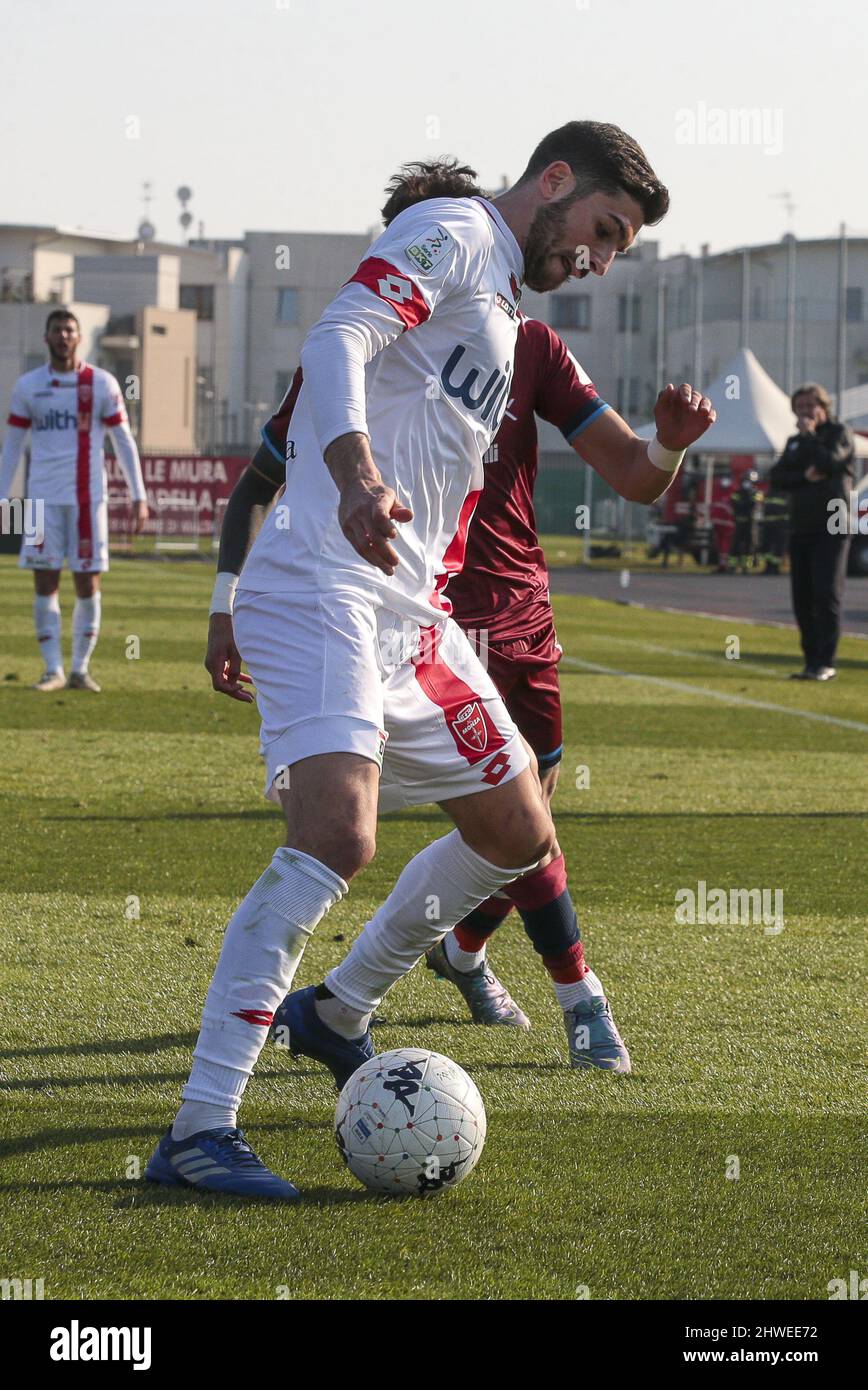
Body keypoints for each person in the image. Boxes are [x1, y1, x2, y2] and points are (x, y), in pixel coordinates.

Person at [146, 121, 708, 1202]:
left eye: (616, 249)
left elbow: (639, 478)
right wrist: (356, 475)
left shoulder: (506, 308)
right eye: (601, 229)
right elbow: (336, 337)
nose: (595, 258)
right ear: (553, 180)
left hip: (413, 616)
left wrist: (676, 439)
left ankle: (336, 1008)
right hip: (322, 583)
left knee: (515, 825)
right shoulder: (451, 230)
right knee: (336, 834)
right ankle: (200, 1126)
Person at [0, 309, 148, 691]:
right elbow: (12, 446)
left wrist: (139, 494)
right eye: (57, 330)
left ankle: (80, 669)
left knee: (87, 580)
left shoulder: (101, 383)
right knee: (43, 580)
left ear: (79, 337)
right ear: (46, 337)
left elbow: (123, 441)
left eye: (69, 330)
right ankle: (53, 671)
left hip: (88, 500)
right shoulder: (28, 386)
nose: (63, 336)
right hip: (38, 501)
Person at [769, 383, 855, 680]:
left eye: (810, 406)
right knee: (802, 597)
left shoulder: (838, 433)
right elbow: (777, 478)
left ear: (823, 407)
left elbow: (829, 462)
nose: (805, 413)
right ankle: (810, 661)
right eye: (800, 407)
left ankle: (826, 662)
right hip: (802, 526)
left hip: (832, 524)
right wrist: (805, 476)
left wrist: (811, 438)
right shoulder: (794, 442)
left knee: (826, 593)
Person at [728, 469, 761, 574]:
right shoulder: (737, 493)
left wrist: (744, 502)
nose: (747, 483)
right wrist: (745, 502)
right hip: (738, 522)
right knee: (735, 544)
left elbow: (753, 504)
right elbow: (734, 503)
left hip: (751, 523)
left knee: (749, 544)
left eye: (749, 481)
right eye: (745, 480)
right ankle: (732, 566)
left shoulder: (757, 493)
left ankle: (745, 566)